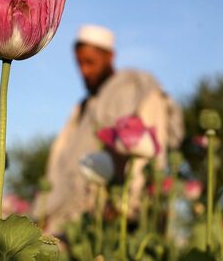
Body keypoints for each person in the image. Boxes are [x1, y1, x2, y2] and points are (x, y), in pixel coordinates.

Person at [39, 24, 184, 234]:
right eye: (79, 64)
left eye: (90, 62)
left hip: (116, 220)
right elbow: (59, 162)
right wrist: (45, 210)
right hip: (70, 221)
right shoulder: (83, 108)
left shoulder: (138, 89)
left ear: (110, 57)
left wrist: (126, 206)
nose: (84, 71)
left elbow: (151, 154)